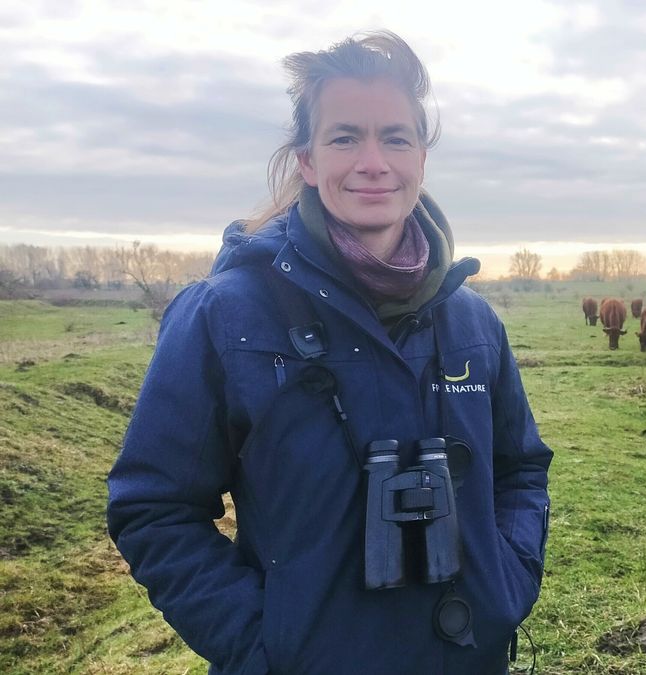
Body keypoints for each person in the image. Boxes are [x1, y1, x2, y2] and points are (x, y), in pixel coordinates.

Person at [107, 31, 552, 674]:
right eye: (345, 137)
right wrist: (265, 644)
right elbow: (154, 509)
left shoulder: (473, 322)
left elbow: (521, 469)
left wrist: (506, 583)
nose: (373, 162)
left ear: (421, 157)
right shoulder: (225, 315)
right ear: (308, 161)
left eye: (395, 137)